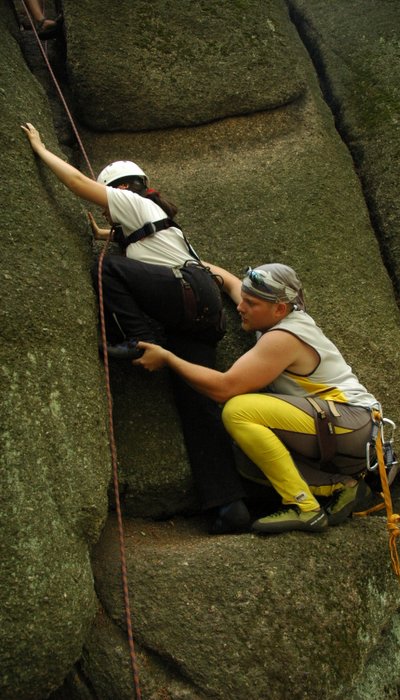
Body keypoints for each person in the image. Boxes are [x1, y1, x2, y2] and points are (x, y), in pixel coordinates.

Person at [21, 122, 249, 535]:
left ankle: (143, 339)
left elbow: (75, 181)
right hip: (200, 310)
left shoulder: (131, 202)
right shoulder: (153, 222)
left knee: (107, 267)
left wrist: (39, 148)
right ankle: (229, 505)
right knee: (197, 405)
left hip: (182, 299)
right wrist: (105, 232)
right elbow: (145, 247)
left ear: (122, 189)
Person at [134, 263, 379, 534]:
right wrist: (184, 260)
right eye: (245, 300)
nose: (241, 307)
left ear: (279, 309)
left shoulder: (285, 337)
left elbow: (225, 388)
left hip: (354, 423)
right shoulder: (273, 313)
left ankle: (305, 507)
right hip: (340, 430)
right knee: (246, 457)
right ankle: (344, 487)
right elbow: (229, 283)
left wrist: (169, 358)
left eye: (250, 303)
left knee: (238, 410)